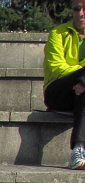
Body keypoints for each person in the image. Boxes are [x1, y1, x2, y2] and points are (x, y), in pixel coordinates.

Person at [43, 0, 85, 170]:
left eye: (84, 9)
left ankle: (79, 148)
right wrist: (81, 76)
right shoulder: (57, 34)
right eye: (77, 8)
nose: (80, 13)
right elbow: (57, 68)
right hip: (58, 91)